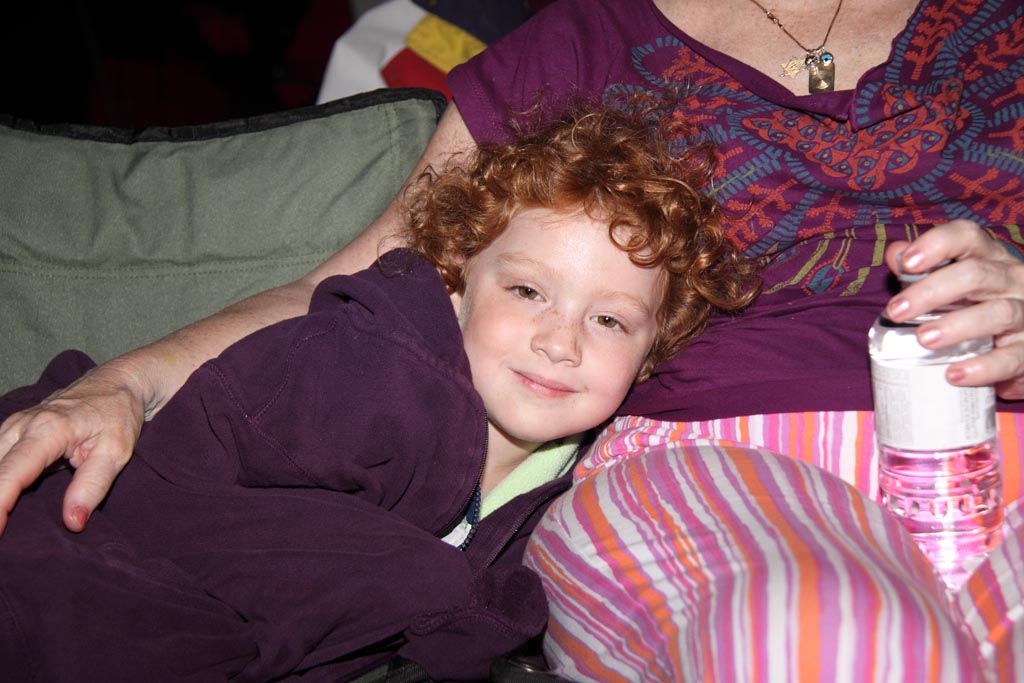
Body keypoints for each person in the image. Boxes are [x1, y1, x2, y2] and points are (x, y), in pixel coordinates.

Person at [0, 0, 1022, 679]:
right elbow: (354, 281)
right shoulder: (580, 41)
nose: (563, 334)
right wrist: (125, 382)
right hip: (726, 475)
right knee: (832, 637)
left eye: (605, 316)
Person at [0, 106, 757, 681]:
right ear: (457, 281)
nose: (561, 342)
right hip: (71, 536)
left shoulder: (573, 484)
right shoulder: (367, 371)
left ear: (650, 353)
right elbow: (186, 472)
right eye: (528, 291)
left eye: (609, 320)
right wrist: (446, 595)